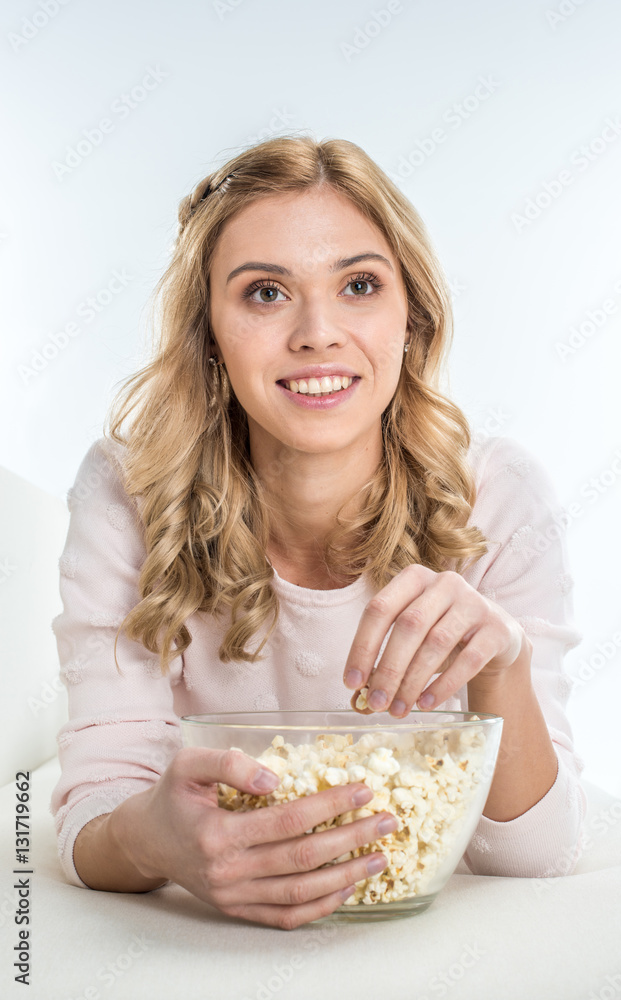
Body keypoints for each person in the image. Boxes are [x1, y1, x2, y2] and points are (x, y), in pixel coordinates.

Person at [51, 134, 587, 931]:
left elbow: (537, 853)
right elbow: (95, 810)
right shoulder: (129, 491)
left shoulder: (497, 495)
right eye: (265, 293)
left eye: (359, 285)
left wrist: (503, 668)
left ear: (412, 318)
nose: (318, 333)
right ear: (208, 334)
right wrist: (154, 841)